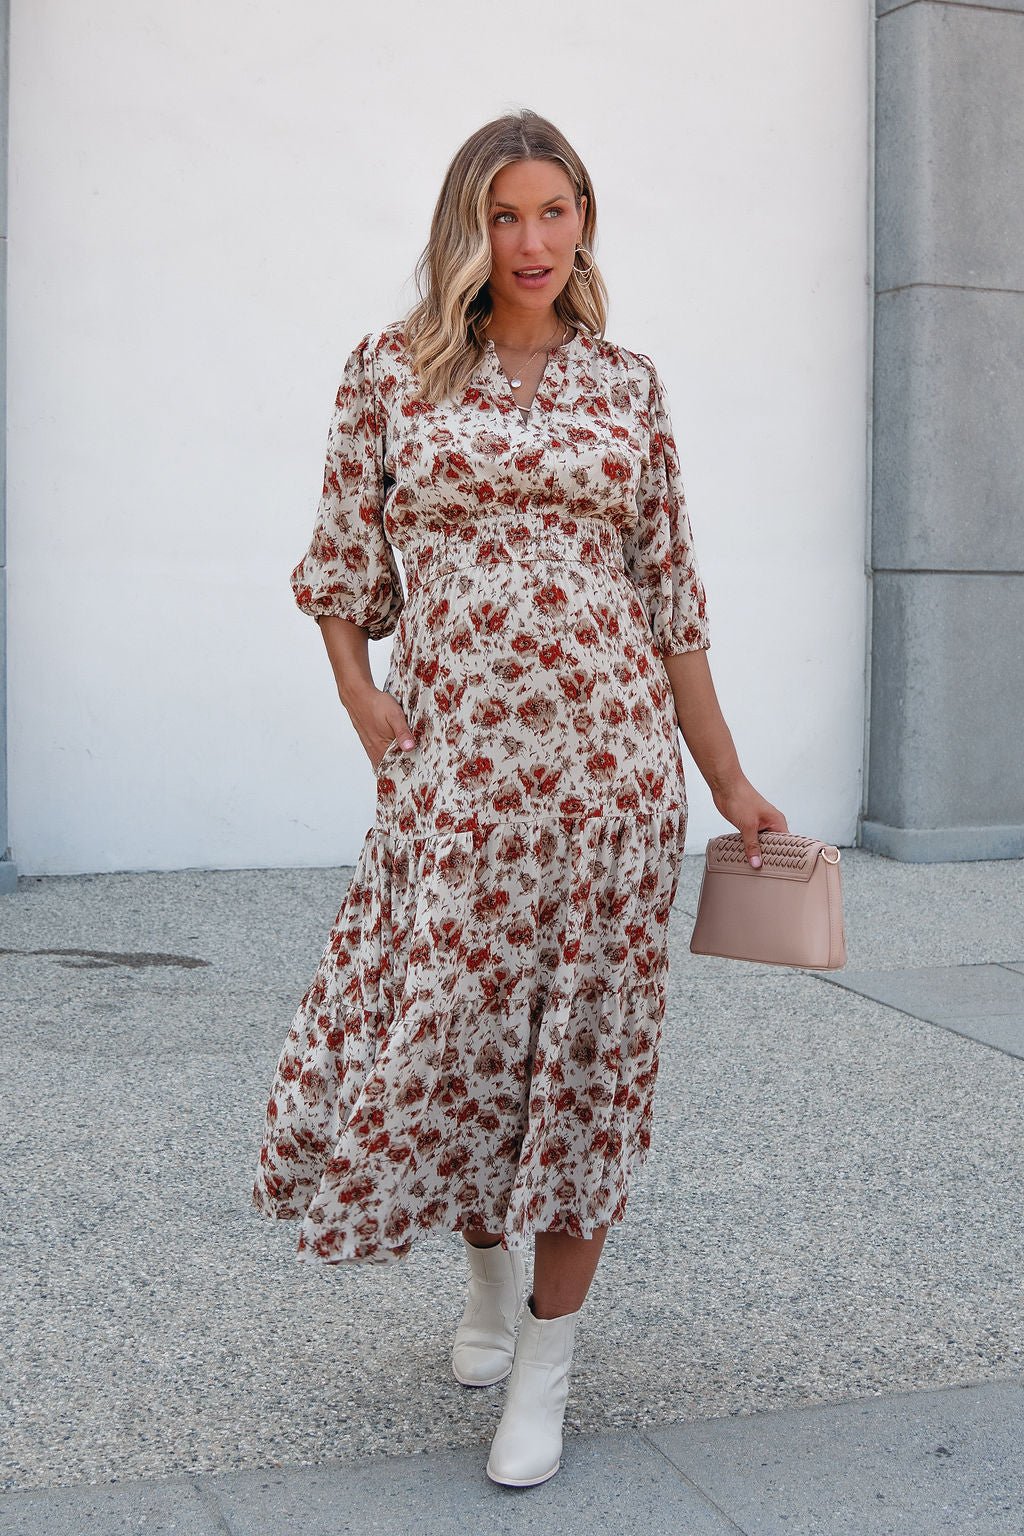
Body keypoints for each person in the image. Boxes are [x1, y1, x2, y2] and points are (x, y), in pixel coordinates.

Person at [253, 107, 787, 1488]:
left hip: (611, 782)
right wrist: (361, 697)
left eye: (554, 211)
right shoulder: (391, 372)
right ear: (467, 229)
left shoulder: (629, 386)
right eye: (504, 216)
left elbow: (672, 600)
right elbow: (337, 566)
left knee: (586, 1068)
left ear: (585, 219)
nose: (532, 241)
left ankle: (546, 1363)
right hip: (458, 781)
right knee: (458, 1045)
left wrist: (728, 779)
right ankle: (488, 1277)